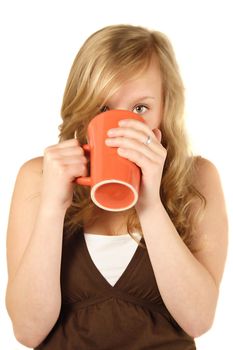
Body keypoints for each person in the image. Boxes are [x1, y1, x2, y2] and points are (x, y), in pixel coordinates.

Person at [5, 24, 228, 350]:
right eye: (104, 109)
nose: (123, 126)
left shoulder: (197, 177)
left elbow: (198, 319)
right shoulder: (38, 177)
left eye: (140, 109)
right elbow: (28, 330)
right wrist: (53, 208)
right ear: (82, 109)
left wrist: (149, 203)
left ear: (165, 108)